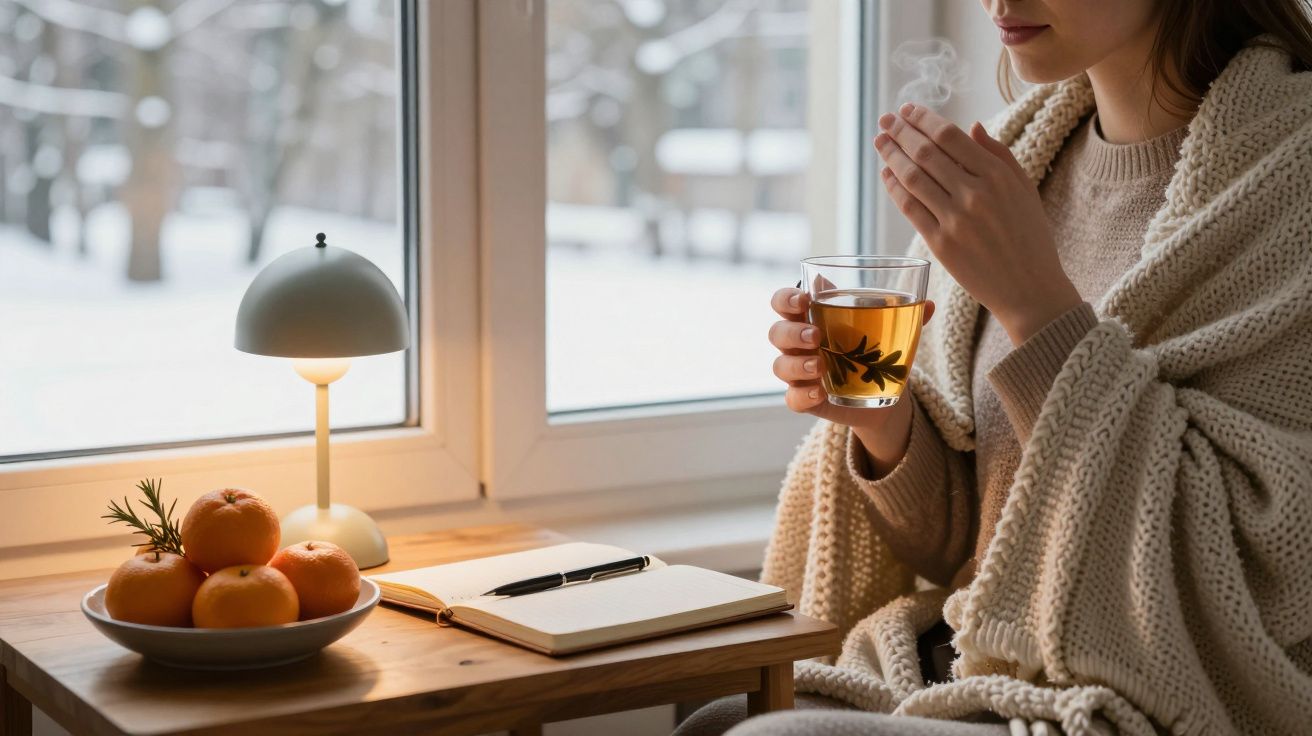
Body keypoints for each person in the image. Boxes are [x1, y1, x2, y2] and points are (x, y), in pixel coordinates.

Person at [676, 0, 1312, 734]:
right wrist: (886, 427)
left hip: (1138, 699)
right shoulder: (1022, 155)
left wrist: (1034, 304)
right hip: (972, 665)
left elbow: (1264, 564)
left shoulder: (1288, 178)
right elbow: (981, 551)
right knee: (714, 717)